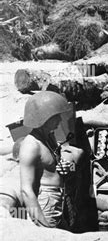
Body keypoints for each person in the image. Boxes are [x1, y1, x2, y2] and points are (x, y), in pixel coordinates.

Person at [19, 91, 82, 229]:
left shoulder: (49, 137)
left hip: (60, 198)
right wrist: (43, 228)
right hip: (45, 205)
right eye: (56, 117)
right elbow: (26, 190)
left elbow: (54, 165)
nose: (60, 121)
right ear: (44, 119)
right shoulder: (31, 146)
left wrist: (67, 167)